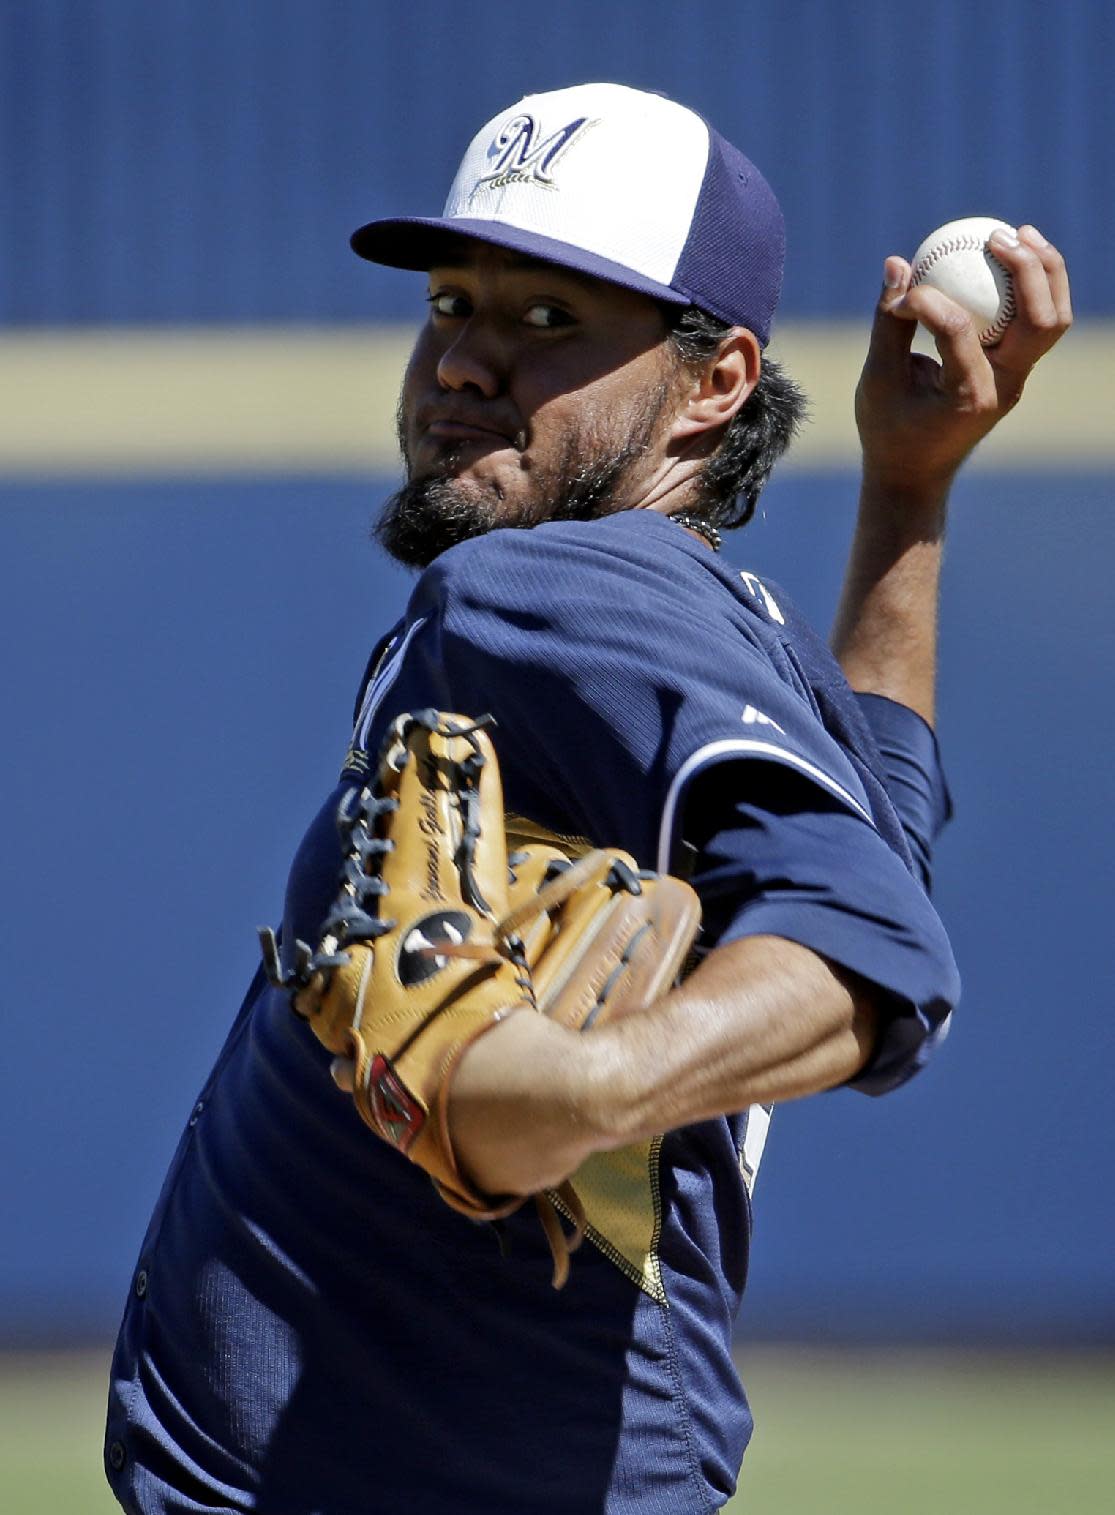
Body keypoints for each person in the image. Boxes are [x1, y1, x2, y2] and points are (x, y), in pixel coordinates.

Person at [104, 82, 1071, 1513]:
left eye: (550, 322)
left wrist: (583, 1088)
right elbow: (888, 847)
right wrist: (908, 492)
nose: (466, 364)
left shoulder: (536, 581)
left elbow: (871, 949)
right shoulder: (734, 630)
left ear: (717, 379)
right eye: (452, 304)